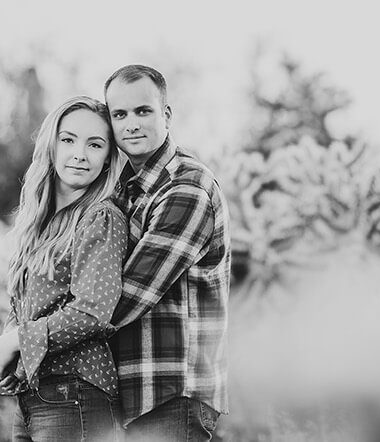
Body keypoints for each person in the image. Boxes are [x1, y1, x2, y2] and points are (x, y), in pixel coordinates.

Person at [0, 96, 131, 442]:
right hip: (35, 394)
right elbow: (23, 306)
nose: (79, 153)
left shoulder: (100, 217)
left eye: (94, 145)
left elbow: (94, 310)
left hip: (76, 394)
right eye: (68, 140)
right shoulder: (40, 224)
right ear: (51, 146)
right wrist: (12, 353)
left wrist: (18, 341)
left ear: (108, 158)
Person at [101, 64, 233, 441]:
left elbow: (129, 295)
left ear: (167, 115)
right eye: (119, 114)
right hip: (135, 392)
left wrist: (36, 338)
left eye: (143, 111)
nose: (131, 124)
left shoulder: (186, 187)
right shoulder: (125, 189)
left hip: (171, 393)